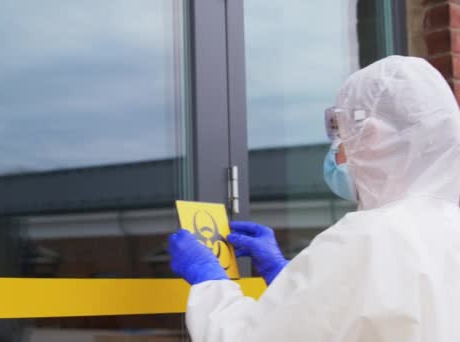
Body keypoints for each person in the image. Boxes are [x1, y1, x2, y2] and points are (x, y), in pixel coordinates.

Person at [168, 56, 460, 341]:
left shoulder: (368, 238)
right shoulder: (448, 229)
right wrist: (288, 279)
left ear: (371, 135)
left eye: (341, 137)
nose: (337, 151)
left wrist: (211, 285)